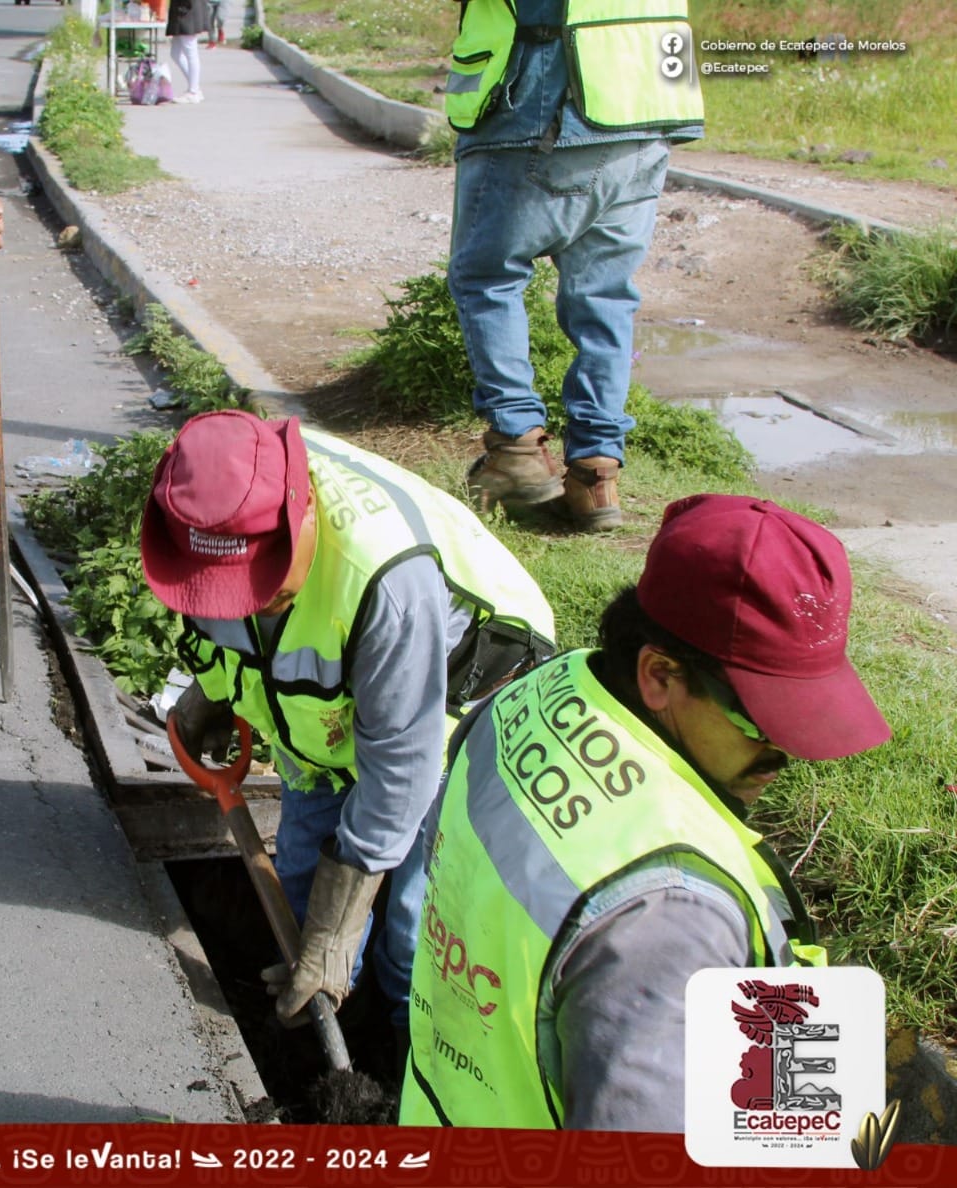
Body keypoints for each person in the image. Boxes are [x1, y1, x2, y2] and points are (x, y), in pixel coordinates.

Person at [400, 495, 892, 1130]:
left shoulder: (531, 697)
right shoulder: (667, 912)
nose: (787, 753)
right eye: (761, 722)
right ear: (659, 673)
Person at [140, 411, 555, 1048]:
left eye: (265, 594)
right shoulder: (203, 508)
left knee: (414, 924)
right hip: (331, 712)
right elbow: (241, 639)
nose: (247, 608)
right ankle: (335, 1025)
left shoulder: (387, 581)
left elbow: (400, 771)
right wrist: (212, 695)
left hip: (461, 689)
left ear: (303, 518)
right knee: (308, 882)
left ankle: (408, 1050)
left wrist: (337, 936)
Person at [447, 0, 704, 531]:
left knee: (487, 277)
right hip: (646, 102)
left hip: (543, 100)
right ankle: (594, 475)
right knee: (604, 296)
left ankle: (515, 446)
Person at [166, 0, 212, 103]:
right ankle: (195, 87)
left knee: (191, 53)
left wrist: (183, 7)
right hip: (184, 10)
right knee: (176, 53)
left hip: (187, 11)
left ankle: (193, 92)